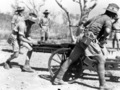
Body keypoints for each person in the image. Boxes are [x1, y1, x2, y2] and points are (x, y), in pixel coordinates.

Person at [53, 3, 119, 90]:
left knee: (70, 59)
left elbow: (83, 25)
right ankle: (103, 85)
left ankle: (57, 79)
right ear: (113, 14)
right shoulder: (107, 20)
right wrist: (104, 37)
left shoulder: (97, 17)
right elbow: (107, 30)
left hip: (82, 38)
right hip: (88, 40)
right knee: (101, 60)